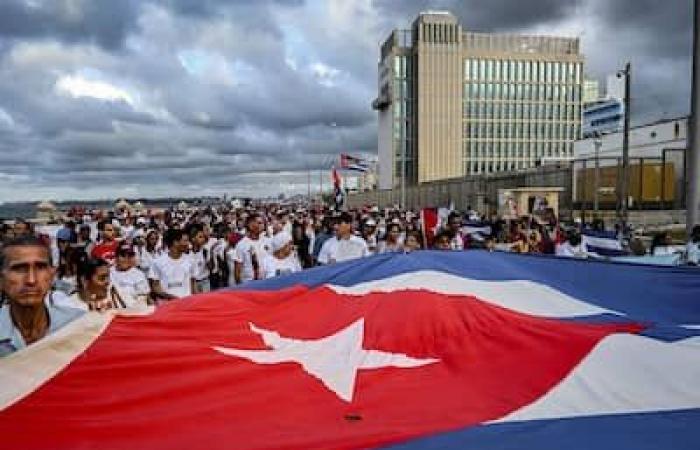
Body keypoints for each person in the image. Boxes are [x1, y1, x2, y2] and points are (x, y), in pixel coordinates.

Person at [0, 236, 83, 356]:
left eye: (40, 267)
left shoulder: (79, 325)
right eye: (19, 269)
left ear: (52, 275)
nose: (31, 280)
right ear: (1, 279)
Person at [61, 258, 126, 311]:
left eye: (108, 276)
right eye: (102, 278)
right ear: (84, 280)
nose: (108, 282)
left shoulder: (116, 295)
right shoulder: (69, 307)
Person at [148, 228, 195, 300]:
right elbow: (155, 286)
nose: (188, 244)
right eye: (185, 241)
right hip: (167, 306)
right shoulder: (157, 262)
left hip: (186, 304)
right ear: (175, 242)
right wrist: (169, 297)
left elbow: (192, 284)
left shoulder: (191, 260)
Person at [229, 214, 269, 285]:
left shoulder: (266, 240)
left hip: (266, 281)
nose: (262, 225)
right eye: (259, 223)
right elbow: (237, 270)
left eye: (262, 223)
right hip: (250, 284)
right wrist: (240, 287)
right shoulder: (241, 245)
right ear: (250, 225)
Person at [110, 243, 150, 308]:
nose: (126, 258)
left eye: (130, 255)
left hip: (134, 309)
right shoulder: (109, 272)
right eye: (123, 255)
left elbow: (144, 296)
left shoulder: (138, 274)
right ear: (116, 257)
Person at [188, 224, 211, 293]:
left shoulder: (205, 251)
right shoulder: (187, 253)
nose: (203, 239)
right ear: (193, 239)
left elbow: (211, 268)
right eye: (200, 237)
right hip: (192, 283)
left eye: (203, 237)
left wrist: (209, 259)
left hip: (205, 282)